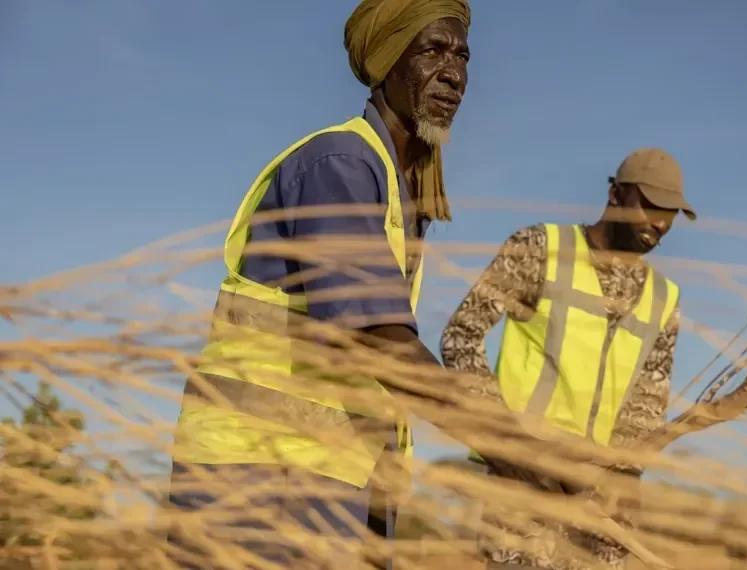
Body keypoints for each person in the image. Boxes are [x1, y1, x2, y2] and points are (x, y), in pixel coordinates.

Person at [166, 0, 471, 567]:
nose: (453, 73)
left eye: (461, 56)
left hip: (334, 475)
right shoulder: (340, 164)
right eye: (432, 50)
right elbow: (378, 340)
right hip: (261, 477)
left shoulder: (402, 192)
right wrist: (517, 448)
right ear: (387, 62)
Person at [440, 148, 696, 570]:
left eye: (671, 213)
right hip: (524, 489)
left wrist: (627, 477)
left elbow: (647, 404)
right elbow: (461, 338)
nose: (661, 223)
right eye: (650, 205)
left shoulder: (666, 299)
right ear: (615, 194)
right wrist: (510, 447)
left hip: (601, 506)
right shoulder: (539, 248)